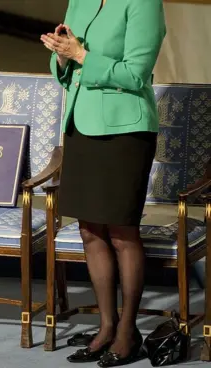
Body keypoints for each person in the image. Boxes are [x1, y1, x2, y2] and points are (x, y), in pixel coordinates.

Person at [40, 0, 165, 366]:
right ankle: (106, 327)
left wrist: (81, 54)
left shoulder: (144, 3)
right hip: (81, 126)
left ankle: (128, 332)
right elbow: (67, 70)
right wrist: (62, 56)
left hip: (125, 131)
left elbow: (136, 74)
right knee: (89, 231)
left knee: (122, 232)